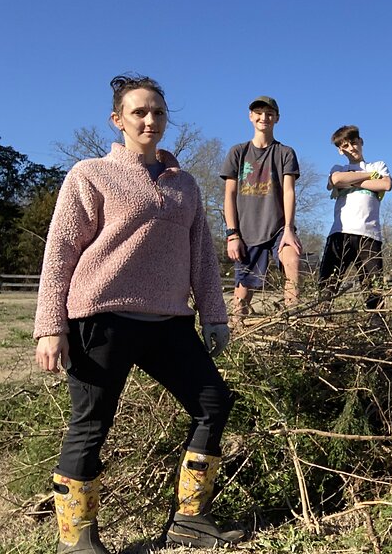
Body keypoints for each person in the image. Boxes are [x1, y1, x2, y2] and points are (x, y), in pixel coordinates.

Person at [33, 75, 245, 553]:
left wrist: (215, 313)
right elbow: (61, 250)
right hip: (100, 319)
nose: (150, 120)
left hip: (169, 322)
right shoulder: (90, 174)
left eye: (159, 113)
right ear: (118, 120)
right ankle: (77, 541)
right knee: (91, 426)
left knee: (213, 404)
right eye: (139, 112)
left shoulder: (185, 185)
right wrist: (50, 326)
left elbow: (201, 256)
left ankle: (191, 520)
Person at [219, 96, 302, 319]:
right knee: (243, 292)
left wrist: (289, 229)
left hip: (278, 229)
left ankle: (292, 323)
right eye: (258, 113)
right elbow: (229, 194)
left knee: (293, 260)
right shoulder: (238, 152)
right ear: (250, 116)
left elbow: (288, 191)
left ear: (277, 118)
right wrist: (232, 234)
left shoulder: (285, 153)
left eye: (269, 113)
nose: (263, 117)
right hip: (247, 232)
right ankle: (237, 332)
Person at [318, 125, 392, 310]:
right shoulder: (339, 168)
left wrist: (351, 180)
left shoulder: (378, 165)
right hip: (340, 233)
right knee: (327, 285)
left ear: (361, 142)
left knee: (373, 288)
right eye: (345, 145)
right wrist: (369, 178)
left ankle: (376, 326)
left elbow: (386, 184)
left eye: (353, 142)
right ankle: (320, 323)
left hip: (369, 236)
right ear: (340, 150)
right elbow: (335, 181)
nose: (351, 147)